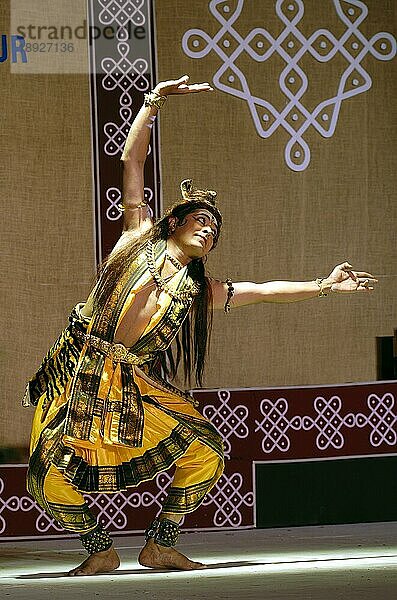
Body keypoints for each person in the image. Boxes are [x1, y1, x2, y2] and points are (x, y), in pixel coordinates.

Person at [24, 75, 377, 576]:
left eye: (214, 230)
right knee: (46, 472)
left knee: (206, 453)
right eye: (201, 221)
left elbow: (261, 290)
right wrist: (152, 104)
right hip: (78, 368)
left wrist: (323, 285)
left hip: (130, 384)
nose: (209, 231)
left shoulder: (198, 292)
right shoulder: (136, 238)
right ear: (175, 222)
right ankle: (98, 546)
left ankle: (160, 543)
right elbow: (132, 164)